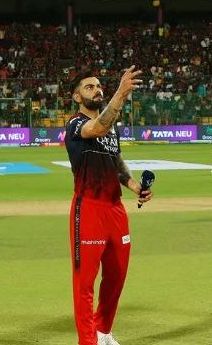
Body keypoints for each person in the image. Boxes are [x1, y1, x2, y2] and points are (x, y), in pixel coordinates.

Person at [65, 67, 153, 345]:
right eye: (89, 87)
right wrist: (121, 92)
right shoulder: (75, 125)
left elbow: (115, 161)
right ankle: (87, 340)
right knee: (85, 282)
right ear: (77, 97)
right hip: (88, 207)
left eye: (99, 86)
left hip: (115, 209)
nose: (97, 90)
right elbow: (98, 127)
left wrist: (134, 185)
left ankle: (103, 331)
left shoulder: (110, 127)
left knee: (116, 274)